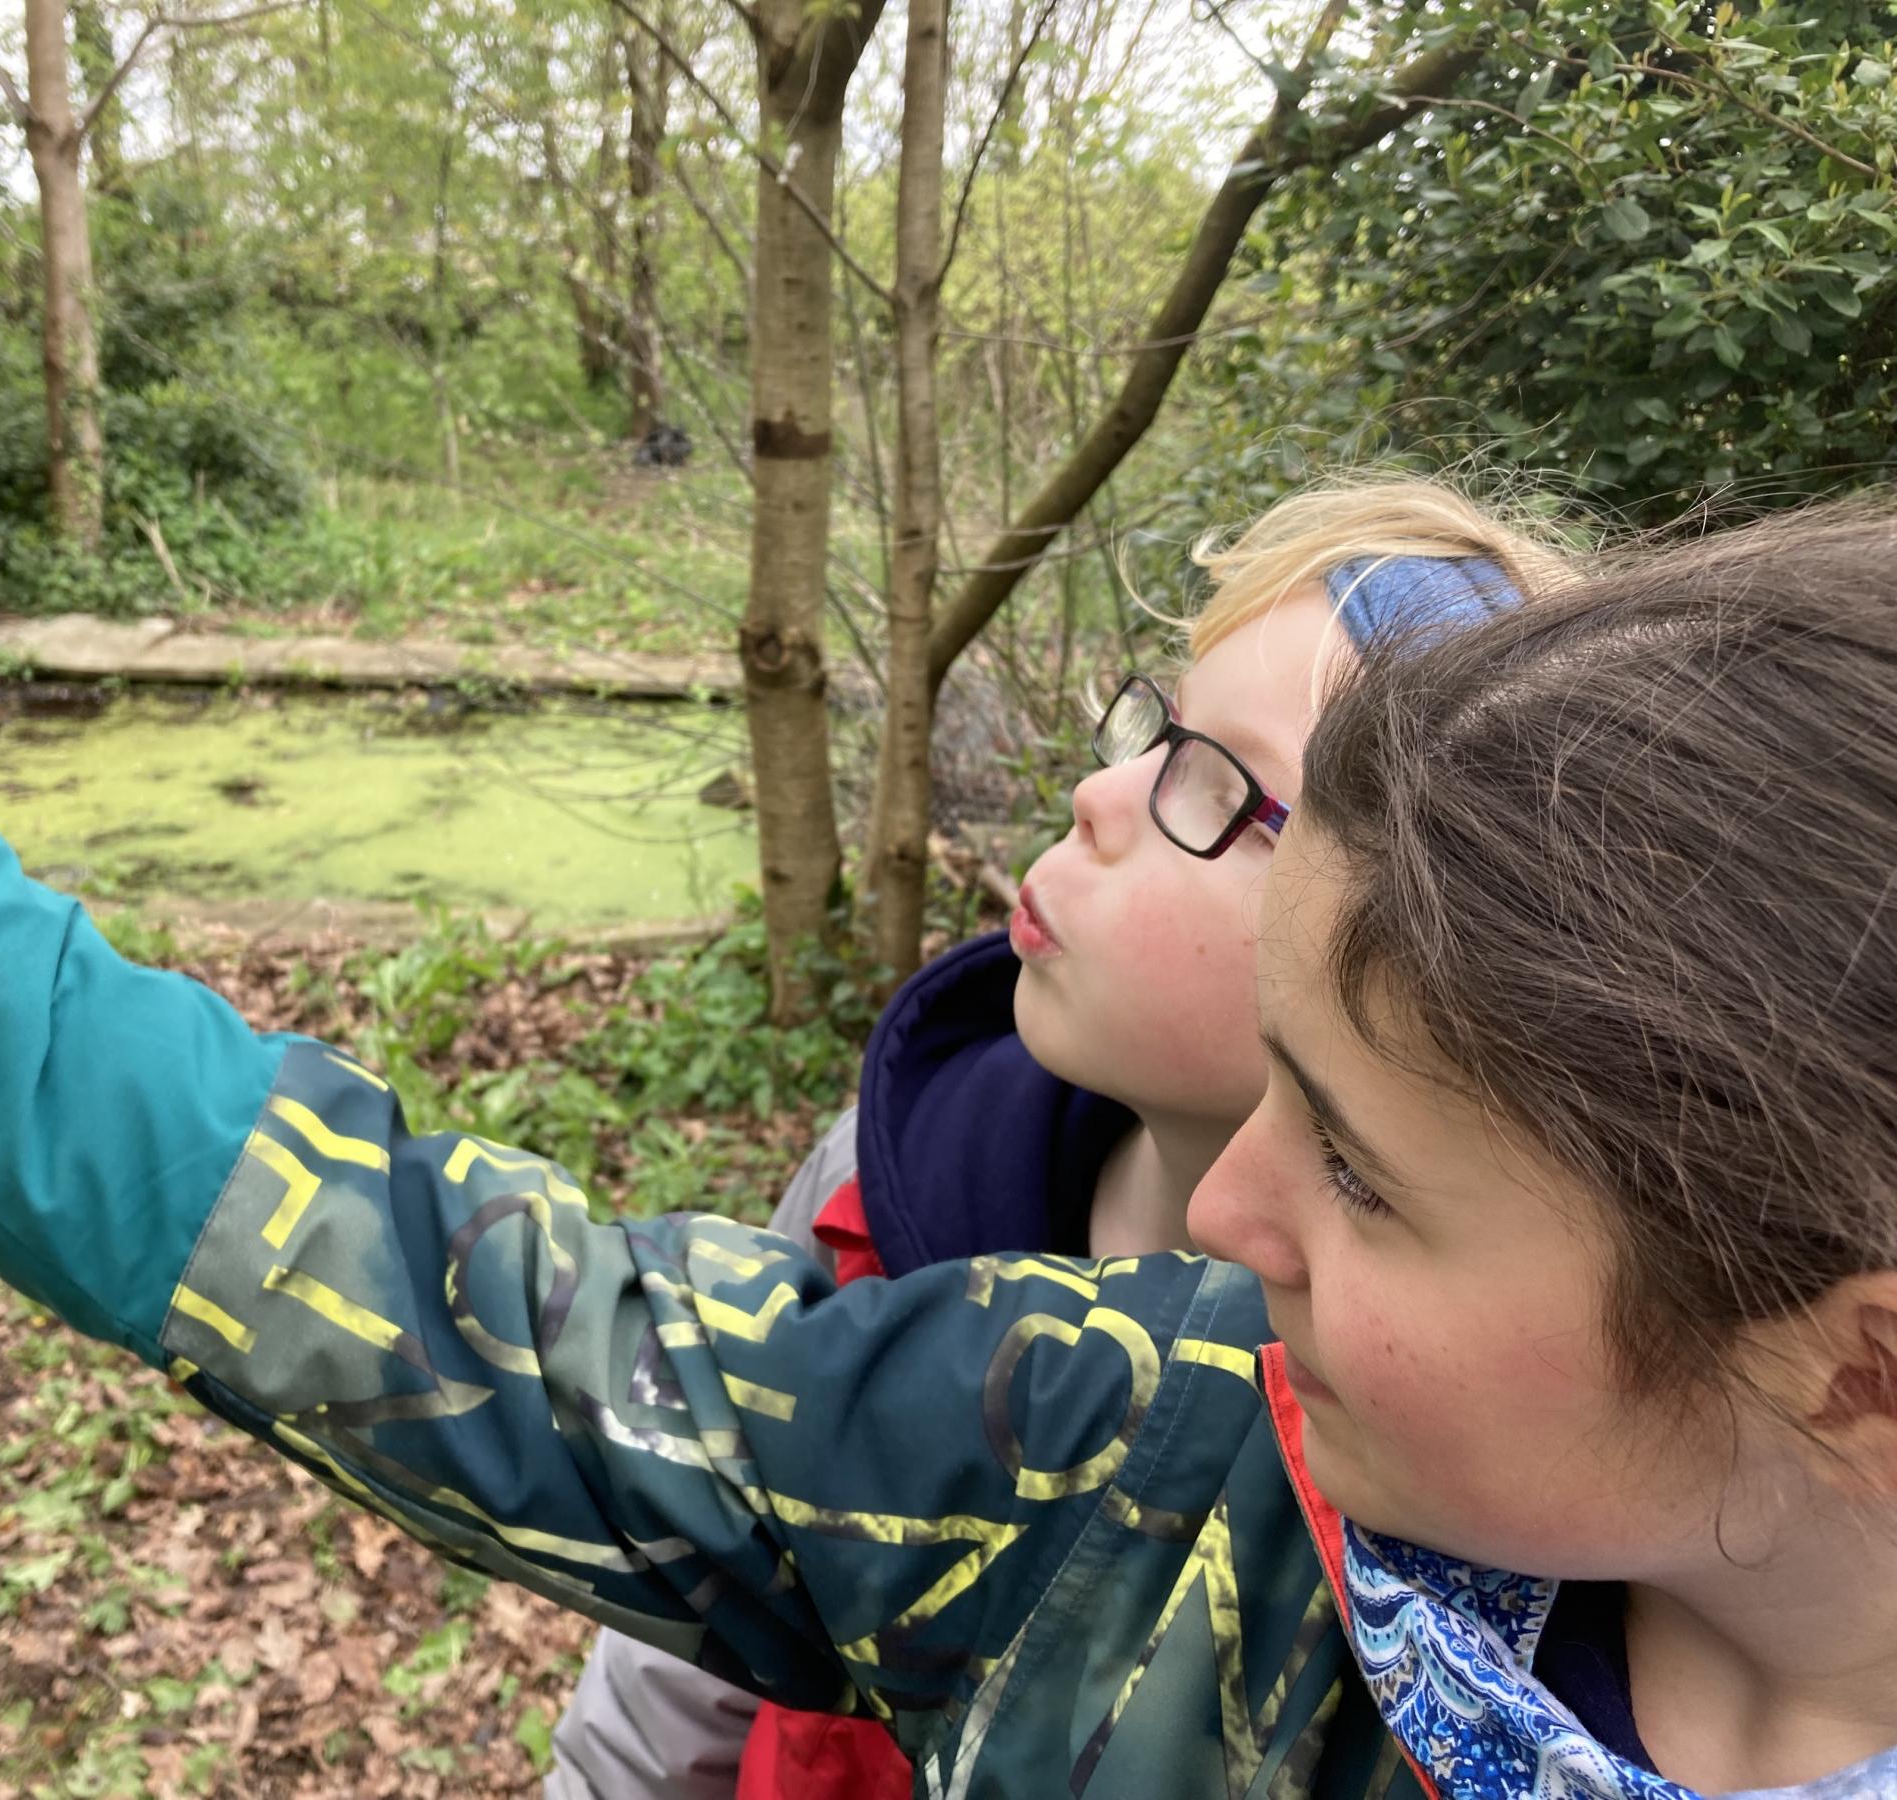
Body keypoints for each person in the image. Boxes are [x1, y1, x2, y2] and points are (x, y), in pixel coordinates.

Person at [0, 498, 1897, 1796]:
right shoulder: (1134, 1461)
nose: (1231, 1215)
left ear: (1848, 1366)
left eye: (1368, 1175)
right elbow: (461, 1303)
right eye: (1278, 1093)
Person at [546, 482, 1572, 1800]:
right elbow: (672, 1669)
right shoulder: (873, 1194)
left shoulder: (1456, 1416)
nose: (1098, 796)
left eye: (1211, 785)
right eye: (1153, 730)